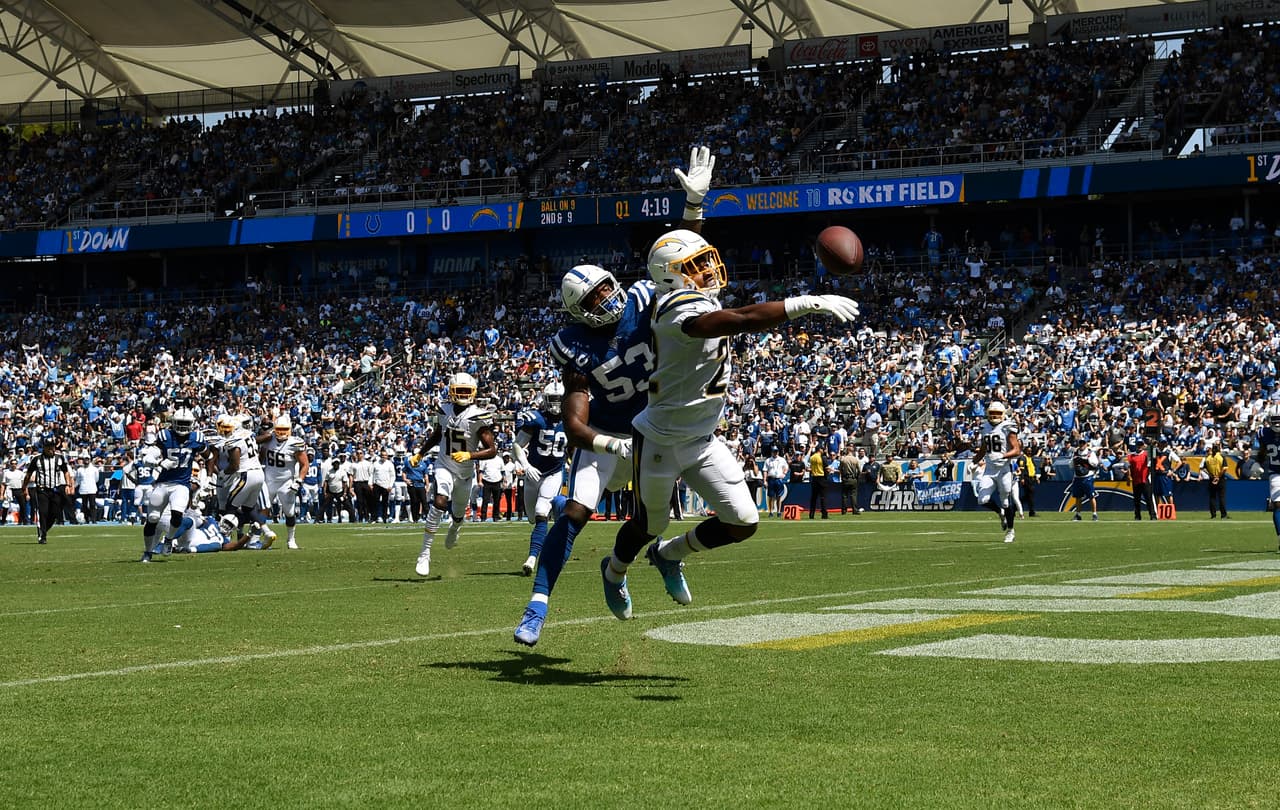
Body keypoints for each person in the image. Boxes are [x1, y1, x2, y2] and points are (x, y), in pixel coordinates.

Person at [602, 208, 858, 621]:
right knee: (649, 522)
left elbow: (685, 254)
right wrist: (801, 304)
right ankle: (614, 572)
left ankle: (669, 555)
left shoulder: (690, 290)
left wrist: (694, 209)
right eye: (696, 266)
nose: (707, 269)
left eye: (705, 261)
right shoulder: (673, 309)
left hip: (702, 438)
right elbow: (737, 319)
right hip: (661, 437)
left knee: (742, 520)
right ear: (674, 276)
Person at [512, 261, 656, 646]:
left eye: (605, 288)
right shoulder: (571, 343)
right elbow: (576, 426)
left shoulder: (644, 299)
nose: (606, 298)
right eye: (593, 298)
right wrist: (610, 444)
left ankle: (635, 565)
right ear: (579, 310)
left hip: (654, 427)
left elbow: (681, 264)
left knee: (651, 520)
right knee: (578, 511)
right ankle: (537, 607)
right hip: (606, 434)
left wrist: (694, 212)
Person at [415, 372, 496, 576]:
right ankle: (424, 554)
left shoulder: (478, 416)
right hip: (444, 465)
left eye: (465, 391)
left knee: (458, 513)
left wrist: (470, 454)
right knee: (440, 501)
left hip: (465, 473)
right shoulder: (444, 410)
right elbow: (437, 435)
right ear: (451, 391)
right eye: (458, 390)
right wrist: (421, 453)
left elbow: (492, 450)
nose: (462, 394)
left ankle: (456, 526)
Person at [512, 381, 568, 576]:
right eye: (553, 399)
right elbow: (517, 445)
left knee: (541, 511)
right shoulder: (536, 419)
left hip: (554, 472)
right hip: (533, 473)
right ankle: (559, 513)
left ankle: (532, 558)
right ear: (545, 400)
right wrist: (526, 465)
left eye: (559, 399)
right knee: (531, 518)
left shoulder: (572, 420)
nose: (556, 404)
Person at [139, 408, 210, 561]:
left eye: (186, 424)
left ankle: (169, 540)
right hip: (162, 483)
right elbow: (150, 454)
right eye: (180, 423)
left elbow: (209, 455)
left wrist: (209, 476)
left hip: (181, 484)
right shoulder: (165, 436)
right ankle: (148, 551)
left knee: (177, 514)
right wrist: (157, 462)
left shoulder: (197, 438)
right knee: (152, 518)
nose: (183, 427)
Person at [970, 401, 1022, 543]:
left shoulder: (1007, 426)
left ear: (1003, 414)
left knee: (1006, 501)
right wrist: (973, 462)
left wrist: (1003, 456)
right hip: (989, 469)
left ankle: (1011, 531)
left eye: (997, 414)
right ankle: (1000, 513)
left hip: (1004, 469)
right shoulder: (985, 427)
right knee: (982, 499)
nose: (994, 416)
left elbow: (1017, 450)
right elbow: (983, 448)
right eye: (992, 413)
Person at [259, 413, 308, 548]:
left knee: (289, 512)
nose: (281, 433)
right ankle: (260, 537)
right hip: (268, 479)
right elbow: (260, 457)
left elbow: (305, 464)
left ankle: (291, 539)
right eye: (279, 430)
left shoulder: (295, 443)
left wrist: (299, 480)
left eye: (284, 430)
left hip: (286, 481)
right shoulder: (268, 439)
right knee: (262, 510)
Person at [23, 434, 73, 544]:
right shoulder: (37, 460)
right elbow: (28, 474)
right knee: (43, 512)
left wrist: (68, 485)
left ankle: (43, 530)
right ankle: (43, 536)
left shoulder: (59, 458)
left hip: (55, 489)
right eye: (49, 447)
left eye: (53, 446)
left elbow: (66, 472)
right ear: (44, 447)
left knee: (55, 513)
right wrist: (24, 488)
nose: (51, 449)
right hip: (42, 489)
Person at [1254, 406, 1280, 549]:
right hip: (1276, 472)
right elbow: (1262, 451)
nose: (1277, 424)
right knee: (1277, 505)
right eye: (1275, 421)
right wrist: (1258, 462)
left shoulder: (1264, 433)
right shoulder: (1264, 433)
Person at [1069, 439, 1100, 522]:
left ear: (1086, 444)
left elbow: (1095, 463)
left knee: (1091, 496)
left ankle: (1094, 514)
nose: (1082, 445)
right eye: (1080, 443)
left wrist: (1085, 460)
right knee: (1078, 497)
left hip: (1087, 476)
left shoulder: (1090, 453)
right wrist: (1074, 460)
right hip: (1077, 477)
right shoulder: (1075, 453)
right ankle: (1078, 514)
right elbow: (1070, 465)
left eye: (1083, 443)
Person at [1126, 438, 1156, 520]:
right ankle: (1137, 516)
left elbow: (1153, 456)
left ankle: (1152, 515)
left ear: (1143, 446)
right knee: (1136, 500)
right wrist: (1128, 477)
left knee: (1149, 499)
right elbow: (1128, 467)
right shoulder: (1131, 456)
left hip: (1145, 479)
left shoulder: (1146, 454)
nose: (1139, 446)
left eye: (1141, 445)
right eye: (1138, 445)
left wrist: (1151, 446)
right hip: (1136, 481)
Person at [1202, 440, 1229, 519]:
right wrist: (1218, 477)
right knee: (1221, 497)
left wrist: (1211, 475)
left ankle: (1213, 515)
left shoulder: (1208, 458)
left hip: (1211, 478)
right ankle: (1223, 515)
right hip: (1220, 479)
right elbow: (1224, 468)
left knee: (1212, 497)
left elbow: (1204, 469)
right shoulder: (1221, 457)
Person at [764, 447, 789, 516]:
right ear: (771, 452)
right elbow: (765, 470)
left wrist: (784, 473)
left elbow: (786, 467)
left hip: (778, 479)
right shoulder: (768, 460)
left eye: (776, 451)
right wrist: (765, 480)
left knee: (779, 496)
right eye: (774, 451)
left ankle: (778, 511)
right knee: (771, 496)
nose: (775, 453)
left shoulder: (782, 459)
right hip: (771, 479)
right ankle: (771, 511)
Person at [837, 446, 861, 514]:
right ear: (852, 451)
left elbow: (840, 469)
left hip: (845, 478)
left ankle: (844, 510)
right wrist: (857, 477)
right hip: (853, 478)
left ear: (847, 451)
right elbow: (859, 470)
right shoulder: (855, 459)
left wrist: (842, 477)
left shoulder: (843, 459)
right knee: (853, 495)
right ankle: (855, 510)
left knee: (844, 495)